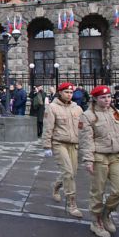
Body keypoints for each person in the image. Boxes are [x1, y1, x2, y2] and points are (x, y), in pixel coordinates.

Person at [80, 85, 119, 237]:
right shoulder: (88, 115)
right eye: (103, 97)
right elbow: (86, 140)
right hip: (99, 157)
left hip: (116, 156)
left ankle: (106, 213)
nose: (107, 100)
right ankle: (96, 221)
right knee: (98, 191)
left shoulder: (118, 113)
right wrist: (88, 159)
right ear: (95, 99)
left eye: (109, 97)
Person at [42, 82, 84, 218]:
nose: (69, 95)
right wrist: (47, 146)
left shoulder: (77, 108)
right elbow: (48, 128)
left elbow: (84, 127)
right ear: (60, 92)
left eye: (71, 92)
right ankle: (72, 203)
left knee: (73, 172)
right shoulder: (52, 108)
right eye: (66, 92)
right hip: (59, 143)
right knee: (68, 172)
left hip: (74, 144)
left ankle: (56, 185)